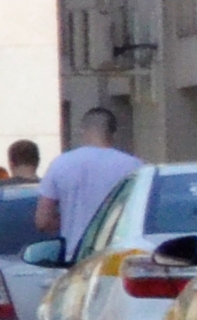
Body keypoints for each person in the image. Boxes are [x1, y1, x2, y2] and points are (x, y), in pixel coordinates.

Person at [39, 107, 144, 259]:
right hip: (119, 257)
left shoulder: (60, 164)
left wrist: (70, 221)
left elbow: (43, 220)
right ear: (113, 133)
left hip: (76, 256)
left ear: (83, 130)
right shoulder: (134, 166)